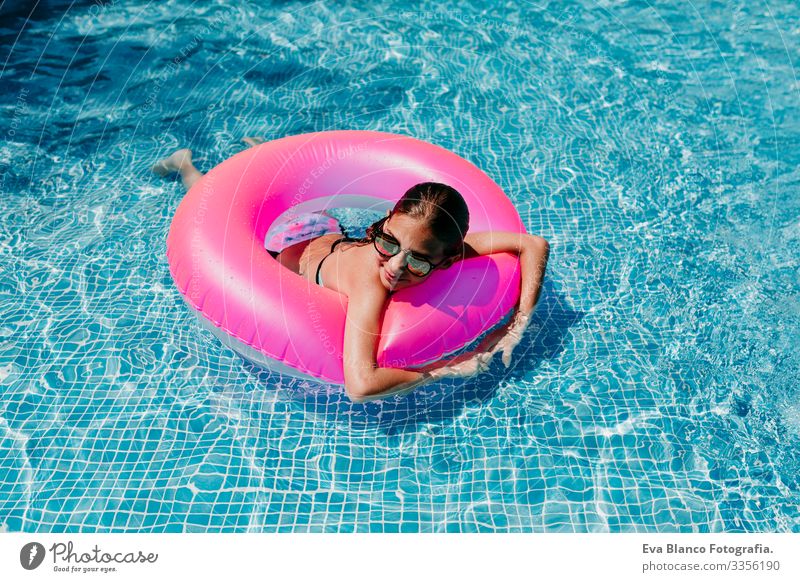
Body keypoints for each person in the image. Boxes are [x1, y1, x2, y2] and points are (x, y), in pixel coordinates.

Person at [153, 139, 550, 403]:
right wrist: (442, 370)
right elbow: (361, 386)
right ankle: (186, 166)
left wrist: (520, 323)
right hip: (290, 250)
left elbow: (533, 244)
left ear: (448, 259)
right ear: (386, 223)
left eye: (417, 259)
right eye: (389, 242)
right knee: (209, 195)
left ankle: (253, 154)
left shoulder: (443, 249)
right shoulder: (370, 283)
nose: (395, 268)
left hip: (327, 232)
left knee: (294, 204)